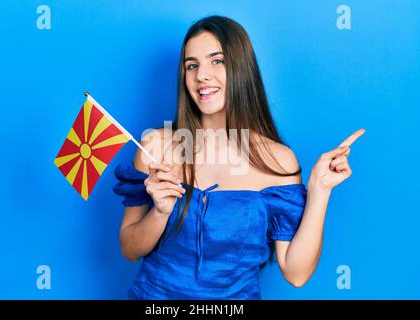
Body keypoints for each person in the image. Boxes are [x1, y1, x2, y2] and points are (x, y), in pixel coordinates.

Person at [113, 15, 365, 299]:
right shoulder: (155, 147)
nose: (202, 75)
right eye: (191, 65)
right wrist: (160, 212)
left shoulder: (278, 161)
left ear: (241, 68)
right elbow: (129, 249)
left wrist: (319, 189)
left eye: (217, 61)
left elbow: (296, 273)